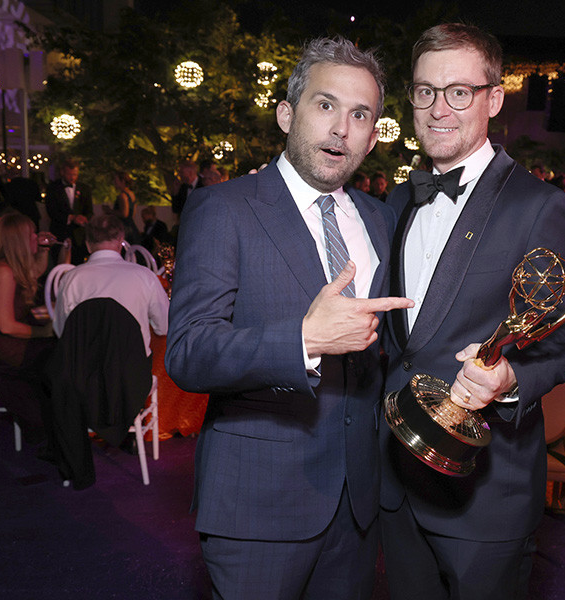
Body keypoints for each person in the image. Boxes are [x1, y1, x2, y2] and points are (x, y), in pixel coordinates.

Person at [164, 37, 413, 599]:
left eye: (359, 115)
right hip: (258, 506)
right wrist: (304, 339)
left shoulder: (381, 219)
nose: (340, 129)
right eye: (325, 105)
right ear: (286, 114)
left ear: (374, 136)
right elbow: (187, 351)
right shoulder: (223, 208)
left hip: (358, 506)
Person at [379, 24, 565, 600]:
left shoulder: (542, 207)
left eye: (458, 91)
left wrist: (510, 379)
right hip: (396, 479)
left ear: (494, 99)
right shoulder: (400, 198)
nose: (438, 108)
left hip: (485, 492)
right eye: (425, 91)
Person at [0, 213, 56, 444]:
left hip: (1, 341)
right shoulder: (2, 272)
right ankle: (61, 422)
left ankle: (63, 418)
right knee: (59, 353)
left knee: (61, 350)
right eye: (32, 234)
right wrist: (42, 332)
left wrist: (44, 249)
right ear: (18, 240)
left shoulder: (5, 266)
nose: (37, 236)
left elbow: (34, 272)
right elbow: (6, 326)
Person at [53, 214, 169, 356]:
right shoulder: (145, 276)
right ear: (121, 241)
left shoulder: (71, 279)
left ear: (88, 244)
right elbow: (164, 327)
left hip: (85, 371)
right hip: (134, 370)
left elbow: (61, 331)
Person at [46, 158, 93, 265]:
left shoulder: (85, 188)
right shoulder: (53, 188)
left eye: (75, 174)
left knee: (78, 264)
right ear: (62, 172)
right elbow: (51, 211)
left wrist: (84, 219)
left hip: (79, 236)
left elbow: (89, 211)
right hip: (60, 232)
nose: (72, 177)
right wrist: (71, 218)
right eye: (69, 174)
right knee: (59, 263)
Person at [111, 171, 141, 244]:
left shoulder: (122, 196)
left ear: (122, 181)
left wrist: (110, 211)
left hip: (124, 229)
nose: (114, 182)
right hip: (132, 227)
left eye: (116, 180)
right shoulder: (131, 194)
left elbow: (124, 214)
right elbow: (132, 214)